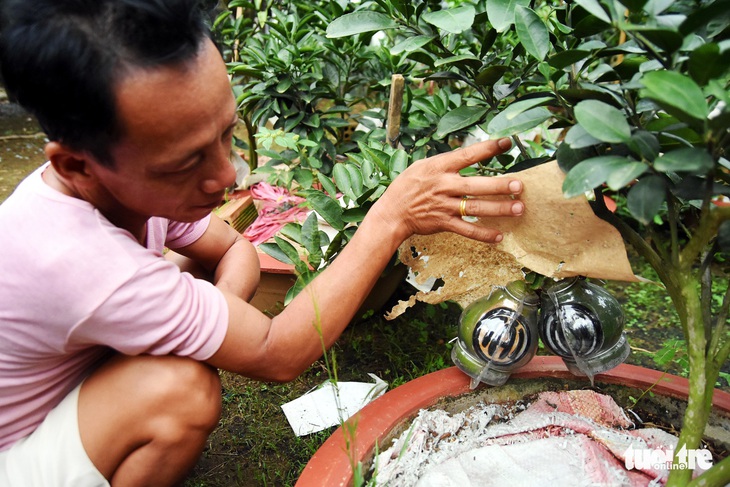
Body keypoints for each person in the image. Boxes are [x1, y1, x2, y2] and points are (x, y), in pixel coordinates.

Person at [0, 1, 525, 485]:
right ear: (74, 163)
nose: (226, 175)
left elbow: (235, 248)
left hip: (68, 390)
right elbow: (278, 354)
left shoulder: (124, 196)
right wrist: (390, 216)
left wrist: (213, 314)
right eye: (186, 162)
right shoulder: (80, 259)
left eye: (226, 134)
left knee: (186, 305)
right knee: (181, 392)